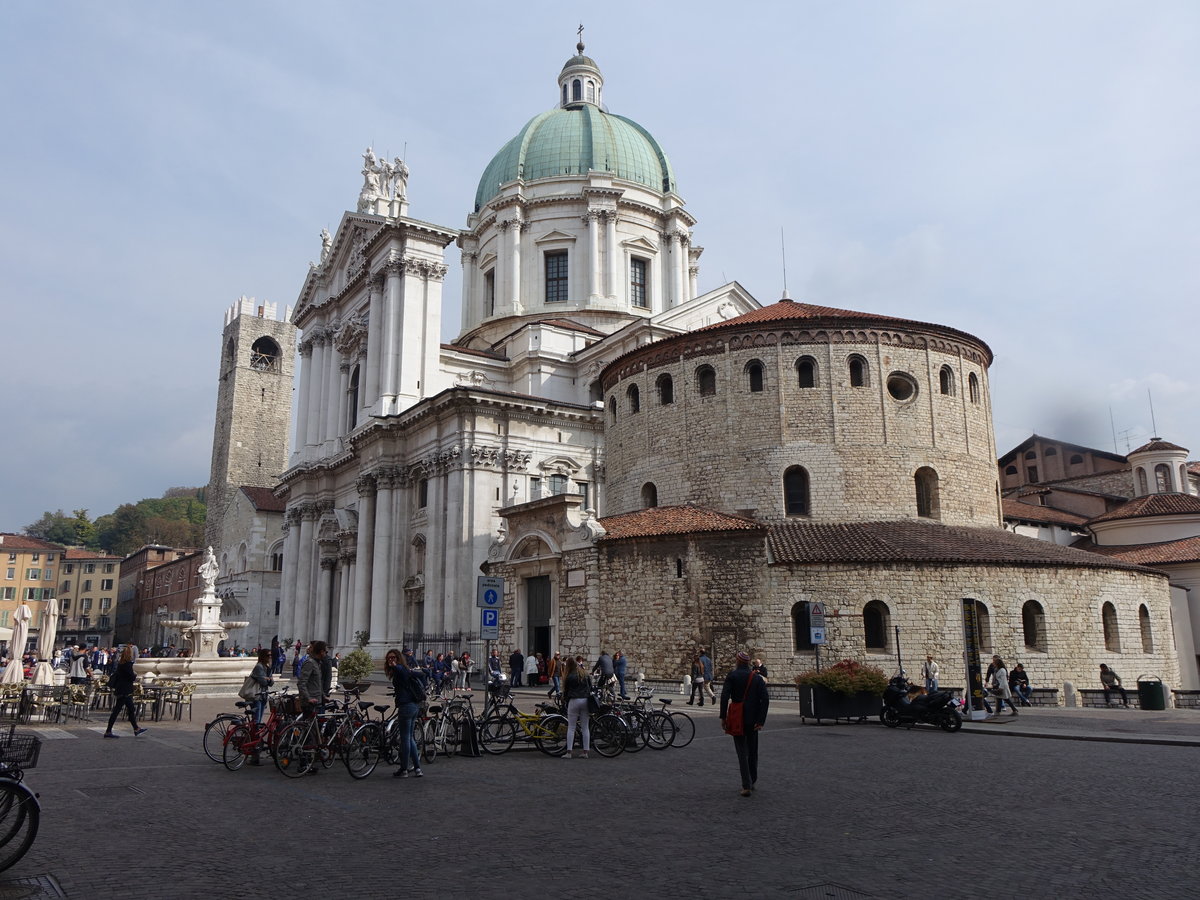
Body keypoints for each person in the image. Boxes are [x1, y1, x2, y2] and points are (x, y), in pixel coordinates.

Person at [720, 651, 769, 797]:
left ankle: (746, 785)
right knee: (753, 750)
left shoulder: (732, 676)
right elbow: (765, 699)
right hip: (753, 718)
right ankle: (752, 780)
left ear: (737, 661)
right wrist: (761, 720)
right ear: (748, 663)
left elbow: (724, 696)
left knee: (742, 751)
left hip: (737, 717)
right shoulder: (757, 678)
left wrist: (723, 716)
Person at [387, 649, 424, 778]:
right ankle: (418, 768)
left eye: (393, 658)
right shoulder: (405, 669)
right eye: (389, 658)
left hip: (406, 707)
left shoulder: (401, 669)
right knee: (410, 738)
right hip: (413, 706)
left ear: (398, 658)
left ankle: (404, 769)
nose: (391, 660)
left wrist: (395, 666)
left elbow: (402, 671)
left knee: (405, 739)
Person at [103, 645, 148, 739]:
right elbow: (131, 677)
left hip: (122, 689)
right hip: (125, 690)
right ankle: (108, 731)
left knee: (131, 709)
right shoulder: (127, 665)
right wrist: (134, 675)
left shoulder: (121, 664)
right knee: (117, 711)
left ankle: (136, 728)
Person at [562, 656, 591, 759]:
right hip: (585, 700)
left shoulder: (569, 676)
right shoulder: (585, 674)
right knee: (585, 727)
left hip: (574, 700)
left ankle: (569, 752)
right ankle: (585, 751)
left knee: (571, 727)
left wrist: (564, 700)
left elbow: (566, 691)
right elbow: (590, 687)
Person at [249, 648, 273, 724]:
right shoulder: (259, 667)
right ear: (263, 656)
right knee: (257, 719)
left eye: (271, 655)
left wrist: (268, 679)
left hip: (263, 695)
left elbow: (272, 683)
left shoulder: (267, 667)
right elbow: (264, 682)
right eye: (268, 655)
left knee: (259, 719)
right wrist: (268, 679)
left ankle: (253, 734)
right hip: (256, 696)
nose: (270, 657)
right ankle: (252, 734)